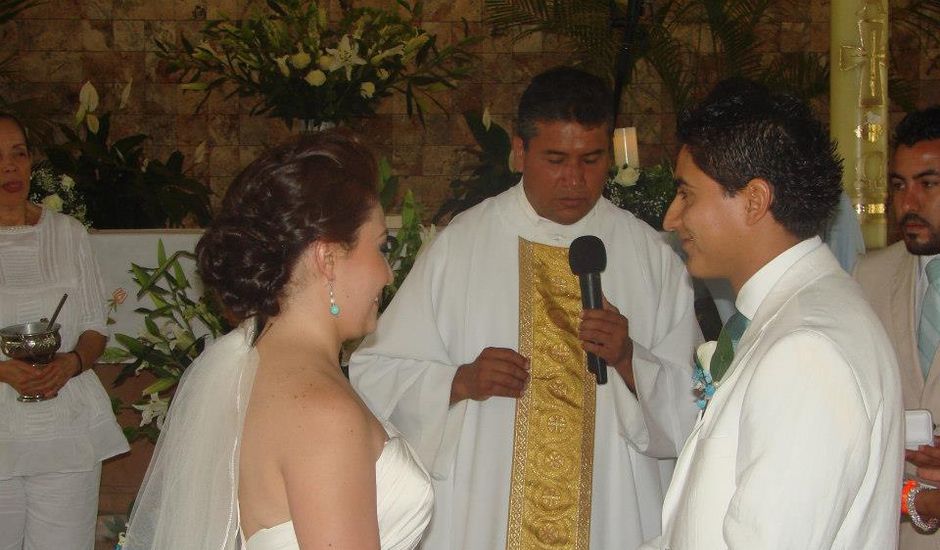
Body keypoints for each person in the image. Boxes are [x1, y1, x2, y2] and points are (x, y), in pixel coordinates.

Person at [350, 66, 699, 549]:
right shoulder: (461, 246)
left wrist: (628, 359)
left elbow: (696, 404)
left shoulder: (650, 258)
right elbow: (375, 373)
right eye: (556, 159)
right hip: (486, 507)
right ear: (519, 152)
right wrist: (458, 380)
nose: (574, 180)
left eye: (592, 159)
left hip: (609, 516)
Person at [122, 130, 433, 550]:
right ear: (327, 258)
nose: (387, 272)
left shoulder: (255, 365)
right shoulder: (323, 411)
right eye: (380, 246)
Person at [643, 79, 903, 549]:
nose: (671, 218)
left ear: (755, 200)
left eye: (687, 194)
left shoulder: (808, 350)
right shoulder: (786, 317)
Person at [0, 113, 129, 549]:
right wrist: (3, 370)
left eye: (18, 154)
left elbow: (94, 326)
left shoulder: (69, 233)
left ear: (32, 161)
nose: (9, 167)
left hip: (65, 424)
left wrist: (71, 362)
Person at [854, 106, 940, 546]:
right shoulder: (869, 277)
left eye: (928, 185)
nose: (908, 203)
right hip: (898, 529)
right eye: (899, 185)